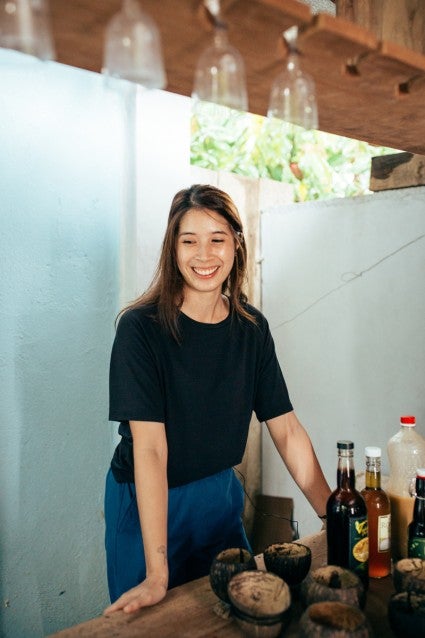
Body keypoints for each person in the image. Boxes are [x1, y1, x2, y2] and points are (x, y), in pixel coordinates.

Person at [104, 184, 331, 615]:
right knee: (154, 620)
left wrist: (331, 516)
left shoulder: (251, 330)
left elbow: (286, 429)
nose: (203, 255)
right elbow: (150, 450)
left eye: (217, 239)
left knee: (232, 613)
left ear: (236, 244)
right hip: (147, 498)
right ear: (172, 248)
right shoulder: (140, 329)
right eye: (189, 241)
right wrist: (157, 572)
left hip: (219, 498)